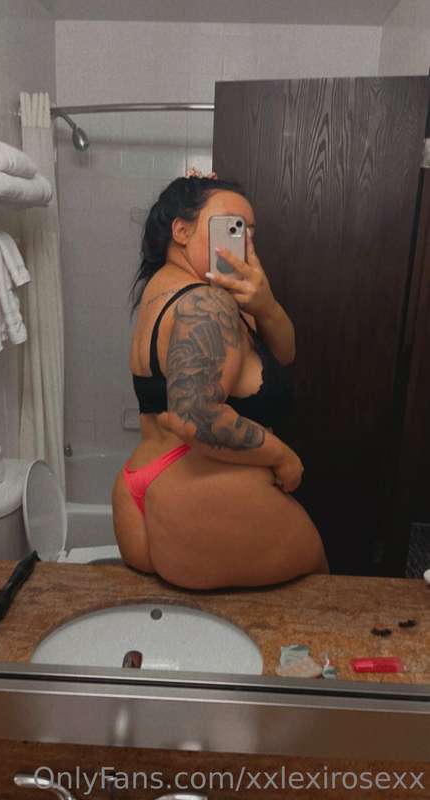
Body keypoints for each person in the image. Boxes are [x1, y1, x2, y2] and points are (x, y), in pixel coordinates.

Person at [111, 170, 329, 589]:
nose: (244, 242)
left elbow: (284, 352)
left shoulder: (165, 289)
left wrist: (266, 305)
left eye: (249, 231)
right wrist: (282, 456)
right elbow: (195, 416)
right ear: (181, 231)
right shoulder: (207, 304)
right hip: (199, 493)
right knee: (317, 600)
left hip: (141, 485)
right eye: (231, 226)